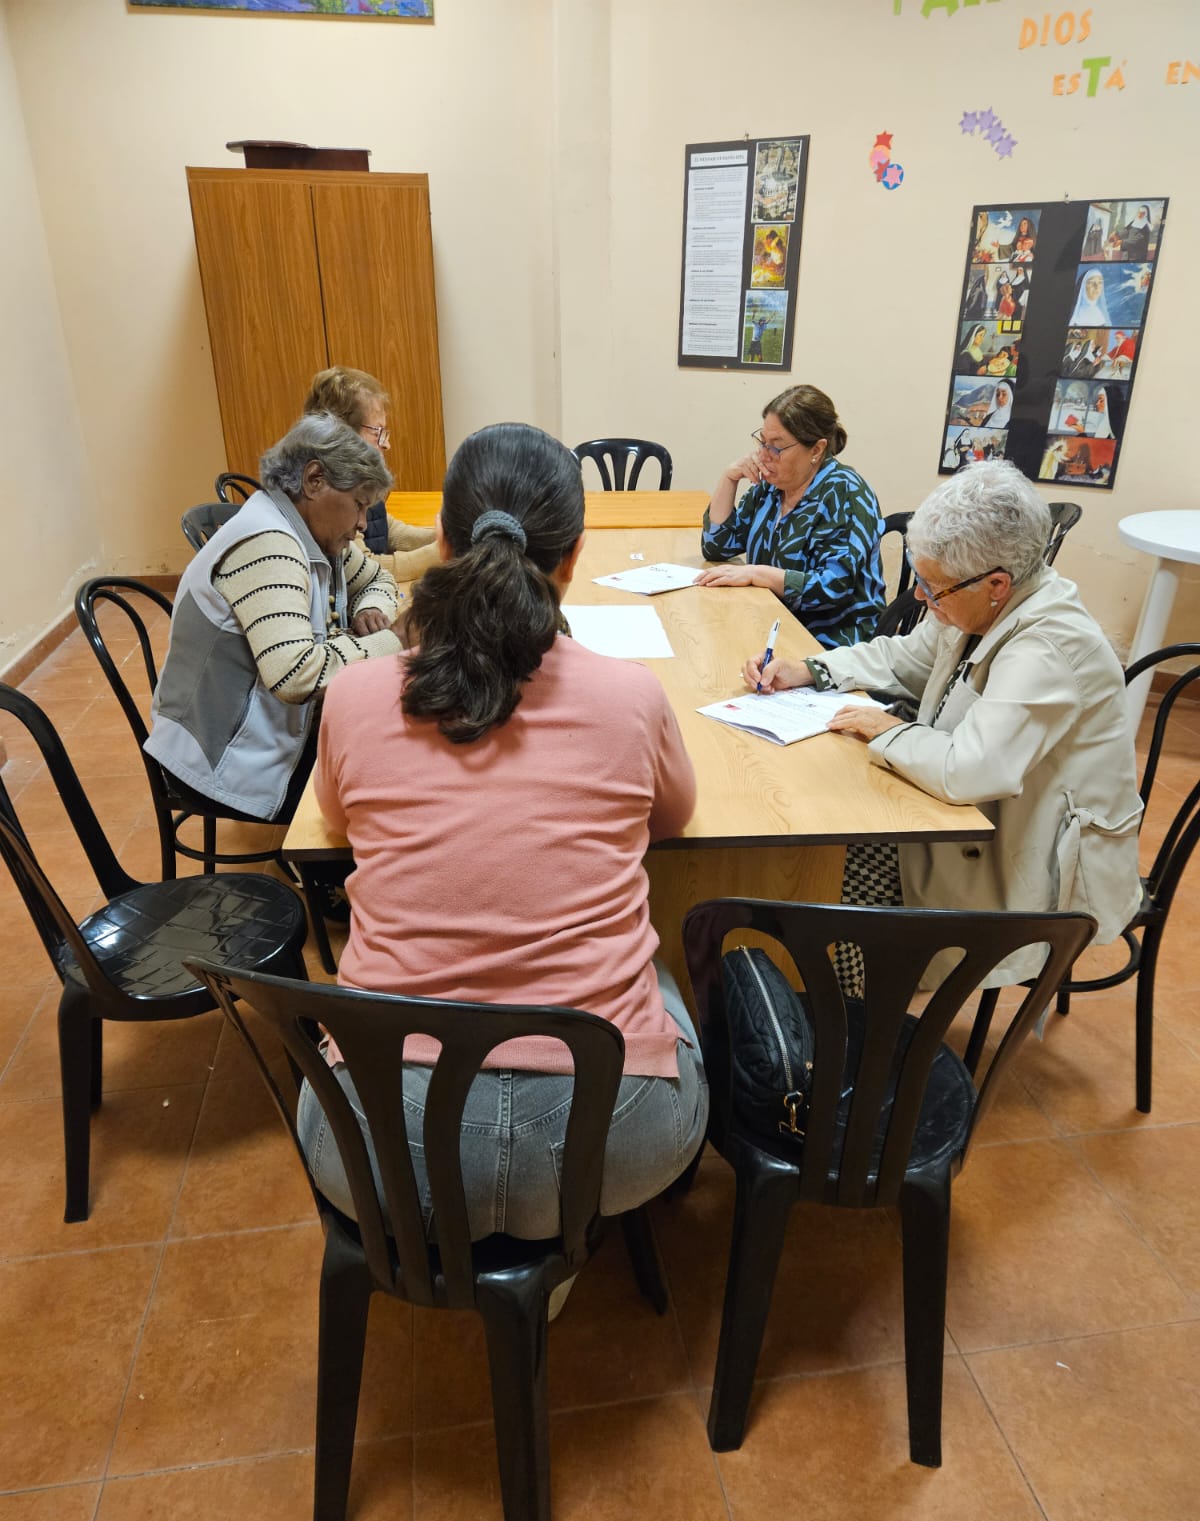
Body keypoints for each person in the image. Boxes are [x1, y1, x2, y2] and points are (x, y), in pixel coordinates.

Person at [296, 422, 708, 1242]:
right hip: (613, 1131)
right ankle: (557, 1247)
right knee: (662, 974)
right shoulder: (631, 697)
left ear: (443, 544)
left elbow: (337, 824)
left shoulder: (354, 695)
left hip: (379, 1136)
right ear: (575, 555)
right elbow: (673, 816)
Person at [741, 460, 1142, 990]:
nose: (922, 599)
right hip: (982, 816)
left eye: (933, 588)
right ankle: (833, 999)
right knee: (832, 836)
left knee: (842, 869)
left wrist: (885, 729)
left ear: (996, 583)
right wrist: (811, 669)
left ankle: (853, 1010)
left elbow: (969, 771)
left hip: (1026, 859)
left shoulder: (1048, 646)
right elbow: (905, 658)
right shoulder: (982, 603)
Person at [146, 413, 404, 823]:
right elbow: (295, 676)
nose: (360, 524)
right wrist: (396, 639)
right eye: (358, 504)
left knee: (390, 744)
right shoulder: (269, 544)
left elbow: (378, 578)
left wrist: (370, 608)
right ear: (314, 480)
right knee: (390, 782)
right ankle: (334, 863)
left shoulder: (311, 531)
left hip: (264, 740)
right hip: (223, 764)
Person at [696, 384, 885, 646]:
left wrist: (758, 574)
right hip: (768, 623)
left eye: (776, 447)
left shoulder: (845, 494)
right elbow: (717, 547)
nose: (764, 455)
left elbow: (832, 588)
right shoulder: (771, 486)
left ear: (816, 450)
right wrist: (729, 478)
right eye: (762, 442)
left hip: (831, 643)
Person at [302, 366, 438, 581]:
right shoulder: (328, 493)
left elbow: (386, 528)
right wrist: (440, 552)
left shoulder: (359, 480)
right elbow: (366, 568)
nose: (387, 444)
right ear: (342, 433)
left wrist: (445, 535)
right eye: (378, 432)